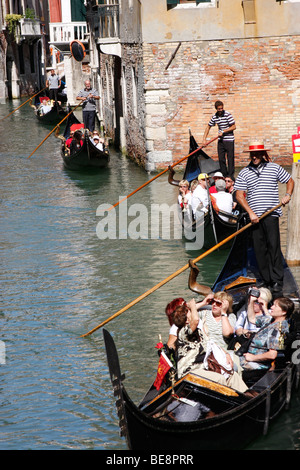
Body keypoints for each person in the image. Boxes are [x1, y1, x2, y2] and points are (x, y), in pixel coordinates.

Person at [234, 142, 294, 296]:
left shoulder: (274, 168)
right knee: (260, 250)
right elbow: (239, 195)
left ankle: (277, 281)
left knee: (273, 247)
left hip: (271, 214)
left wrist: (287, 195)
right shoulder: (244, 172)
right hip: (255, 218)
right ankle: (267, 280)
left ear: (262, 154)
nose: (254, 157)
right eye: (252, 154)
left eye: (257, 154)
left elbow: (290, 181)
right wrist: (250, 213)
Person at [173, 299, 248, 393]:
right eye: (190, 313)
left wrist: (226, 354)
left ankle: (247, 397)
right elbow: (195, 320)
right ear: (187, 320)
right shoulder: (183, 333)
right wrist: (192, 306)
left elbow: (211, 343)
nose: (193, 314)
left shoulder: (199, 332)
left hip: (204, 368)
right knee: (220, 379)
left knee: (232, 375)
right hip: (190, 372)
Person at [239, 296, 295, 371]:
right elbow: (252, 318)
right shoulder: (270, 320)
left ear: (284, 312)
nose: (271, 307)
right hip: (247, 357)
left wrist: (252, 357)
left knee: (227, 364)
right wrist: (251, 301)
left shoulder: (280, 329)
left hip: (259, 364)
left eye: (275, 306)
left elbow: (272, 355)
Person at [202, 101, 236, 179]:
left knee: (230, 158)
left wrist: (224, 131)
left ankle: (230, 177)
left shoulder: (227, 114)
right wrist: (204, 140)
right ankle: (224, 176)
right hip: (221, 140)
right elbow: (208, 127)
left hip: (229, 140)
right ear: (216, 109)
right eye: (219, 109)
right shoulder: (215, 117)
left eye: (221, 108)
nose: (220, 110)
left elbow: (234, 127)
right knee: (221, 159)